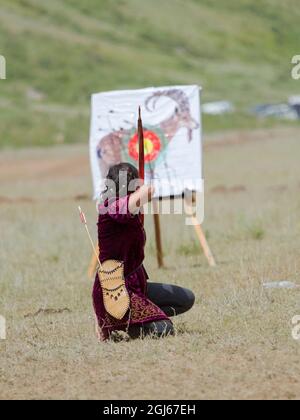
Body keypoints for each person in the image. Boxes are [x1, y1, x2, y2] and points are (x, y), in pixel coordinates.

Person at [92, 162, 195, 341]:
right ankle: (119, 323)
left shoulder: (129, 208)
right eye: (134, 182)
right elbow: (130, 203)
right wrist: (144, 189)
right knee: (164, 329)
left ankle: (140, 320)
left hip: (137, 286)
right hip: (115, 291)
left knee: (186, 298)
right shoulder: (110, 206)